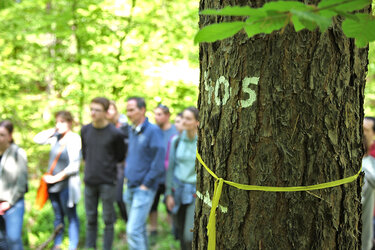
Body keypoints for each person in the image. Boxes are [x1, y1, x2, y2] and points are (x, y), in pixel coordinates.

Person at [81, 97, 126, 250]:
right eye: (91, 109)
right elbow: (85, 155)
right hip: (89, 181)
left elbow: (120, 156)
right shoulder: (85, 130)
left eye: (97, 110)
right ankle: (90, 246)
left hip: (108, 181)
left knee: (108, 219)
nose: (93, 113)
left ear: (106, 112)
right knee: (90, 218)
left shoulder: (115, 133)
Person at [124, 97, 165, 250]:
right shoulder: (131, 130)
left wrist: (146, 184)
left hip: (144, 188)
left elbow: (159, 161)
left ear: (142, 110)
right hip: (130, 186)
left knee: (132, 231)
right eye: (127, 110)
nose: (128, 114)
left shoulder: (153, 131)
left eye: (132, 110)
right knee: (138, 229)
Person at [165, 107, 199, 250]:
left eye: (188, 119)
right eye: (183, 117)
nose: (184, 121)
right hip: (178, 190)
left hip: (194, 192)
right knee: (179, 232)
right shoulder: (176, 141)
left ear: (197, 122)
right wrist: (168, 194)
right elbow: (170, 168)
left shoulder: (202, 142)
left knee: (189, 235)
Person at [149, 104, 178, 237]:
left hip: (170, 176)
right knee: (152, 204)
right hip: (155, 175)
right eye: (155, 114)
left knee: (170, 204)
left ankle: (173, 231)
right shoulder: (153, 131)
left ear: (167, 116)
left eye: (159, 114)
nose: (156, 117)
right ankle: (153, 229)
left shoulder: (175, 132)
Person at [0, 120, 28, 250]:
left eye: (2, 135)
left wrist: (9, 202)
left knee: (13, 240)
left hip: (13, 204)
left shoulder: (18, 153)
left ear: (10, 136)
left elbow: (21, 183)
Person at [107, 101, 129, 222]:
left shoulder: (123, 126)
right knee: (110, 197)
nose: (108, 112)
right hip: (108, 167)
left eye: (111, 109)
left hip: (122, 166)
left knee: (119, 197)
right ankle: (114, 223)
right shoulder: (104, 127)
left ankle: (128, 221)